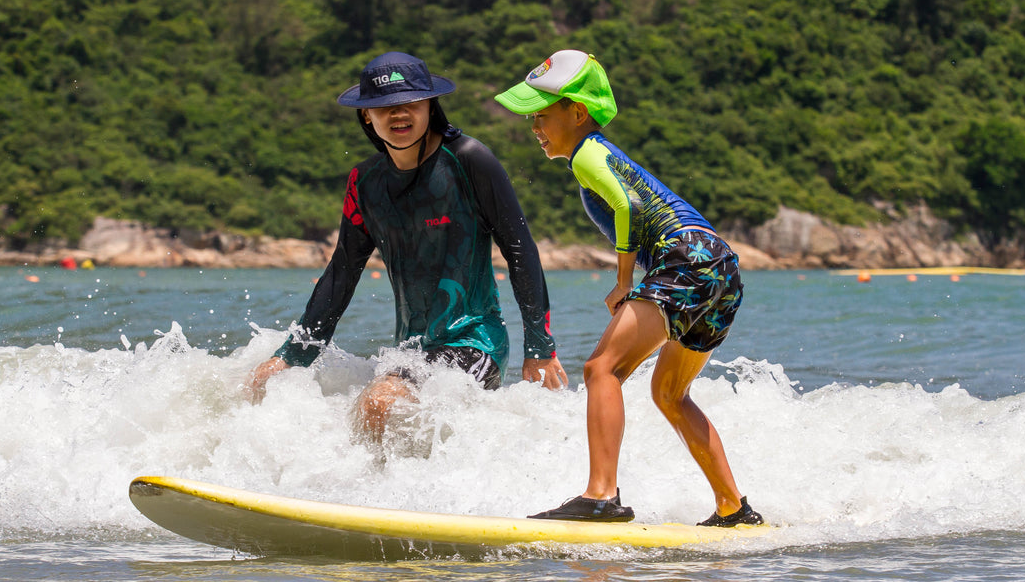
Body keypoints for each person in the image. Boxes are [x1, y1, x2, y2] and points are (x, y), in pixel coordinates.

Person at [494, 50, 762, 527]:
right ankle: (733, 507)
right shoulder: (600, 153)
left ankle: (601, 495)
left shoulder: (587, 154)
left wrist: (623, 282)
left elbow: (629, 206)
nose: (534, 126)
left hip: (685, 257)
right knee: (669, 393)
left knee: (601, 369)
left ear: (578, 113)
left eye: (542, 114)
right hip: (719, 266)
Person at [246, 51, 569, 442]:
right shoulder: (364, 183)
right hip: (411, 353)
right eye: (385, 106)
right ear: (367, 115)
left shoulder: (468, 160)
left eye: (411, 103)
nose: (399, 114)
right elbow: (342, 273)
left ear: (430, 106)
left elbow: (521, 251)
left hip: (474, 343)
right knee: (261, 383)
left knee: (379, 402)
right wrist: (291, 356)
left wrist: (540, 348)